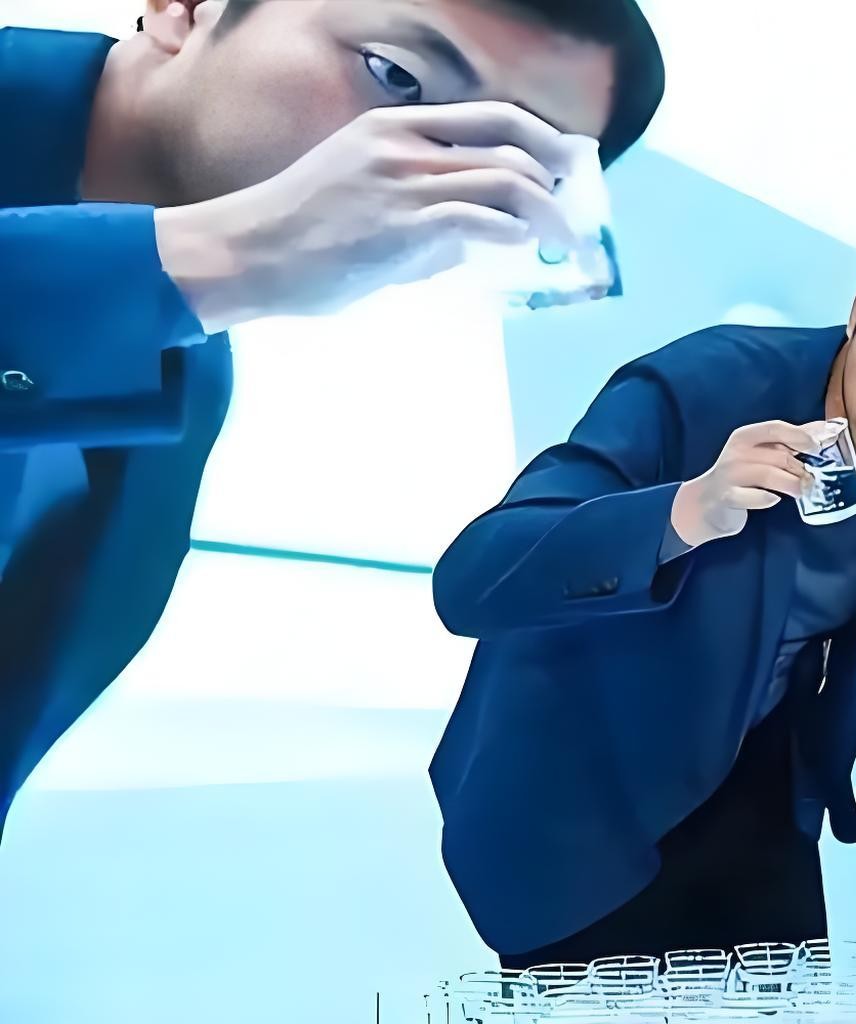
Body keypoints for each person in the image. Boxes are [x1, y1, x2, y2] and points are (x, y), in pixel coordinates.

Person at [0, 0, 664, 840]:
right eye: (396, 77)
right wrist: (217, 259)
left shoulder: (187, 382)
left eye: (508, 166)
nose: (423, 176)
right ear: (183, 8)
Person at [430, 206, 856, 967]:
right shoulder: (702, 383)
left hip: (755, 786)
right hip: (583, 788)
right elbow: (472, 578)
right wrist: (683, 511)